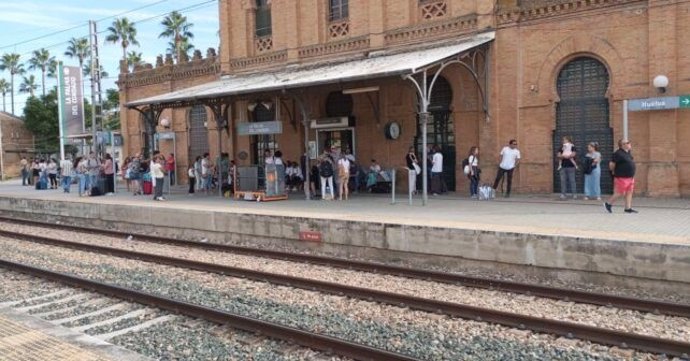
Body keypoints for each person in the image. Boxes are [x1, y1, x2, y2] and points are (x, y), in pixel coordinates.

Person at [604, 139, 637, 213]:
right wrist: (612, 172)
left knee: (629, 192)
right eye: (628, 143)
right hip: (621, 177)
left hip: (630, 177)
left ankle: (627, 208)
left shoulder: (628, 152)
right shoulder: (618, 153)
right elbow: (611, 164)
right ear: (623, 145)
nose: (629, 144)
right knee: (620, 192)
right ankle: (608, 204)